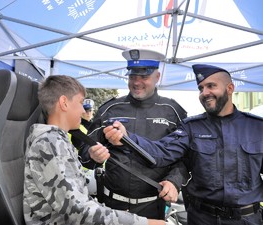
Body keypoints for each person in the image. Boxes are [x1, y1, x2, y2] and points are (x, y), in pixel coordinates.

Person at [103, 64, 263, 225]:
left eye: (211, 86)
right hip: (202, 219)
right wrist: (127, 138)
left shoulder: (257, 127)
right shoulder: (191, 127)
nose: (205, 93)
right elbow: (162, 152)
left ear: (230, 88)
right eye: (201, 88)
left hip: (247, 220)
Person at [23, 75, 165, 225]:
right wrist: (143, 223)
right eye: (80, 103)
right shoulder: (50, 143)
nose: (83, 111)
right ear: (64, 103)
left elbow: (79, 200)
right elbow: (79, 211)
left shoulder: (57, 140)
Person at [78, 48, 189, 220]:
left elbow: (186, 158)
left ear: (157, 77)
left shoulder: (173, 112)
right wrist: (92, 155)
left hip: (153, 207)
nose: (136, 82)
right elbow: (85, 152)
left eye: (144, 76)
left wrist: (174, 181)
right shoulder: (109, 109)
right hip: (112, 207)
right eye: (132, 76)